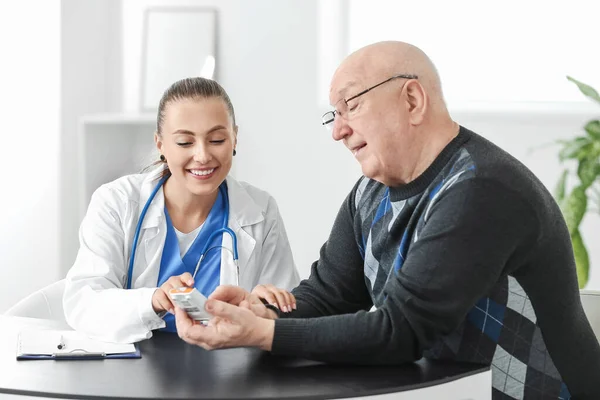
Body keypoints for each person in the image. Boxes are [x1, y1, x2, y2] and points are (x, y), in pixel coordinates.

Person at [173, 43, 600, 399]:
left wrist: (262, 335)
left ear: (412, 100)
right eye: (332, 114)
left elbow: (401, 330)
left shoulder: (482, 188)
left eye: (350, 106)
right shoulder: (370, 191)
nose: (337, 131)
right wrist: (264, 313)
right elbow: (330, 295)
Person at [63, 77, 300, 344]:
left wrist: (267, 310)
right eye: (185, 142)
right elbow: (84, 302)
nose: (202, 155)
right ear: (161, 145)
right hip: (136, 370)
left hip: (230, 370)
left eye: (217, 139)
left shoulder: (260, 210)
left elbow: (284, 311)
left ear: (235, 138)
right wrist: (152, 300)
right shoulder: (117, 202)